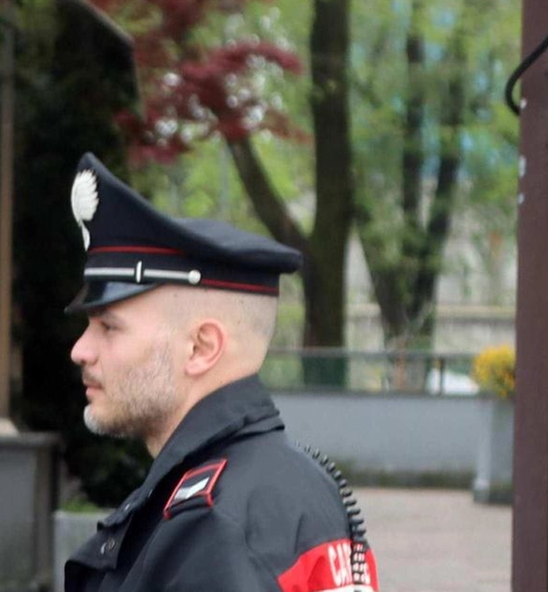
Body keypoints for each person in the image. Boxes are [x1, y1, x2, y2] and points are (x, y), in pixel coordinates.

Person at [63, 153, 379, 592]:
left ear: (200, 347)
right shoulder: (292, 486)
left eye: (109, 327)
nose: (81, 350)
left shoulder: (216, 524)